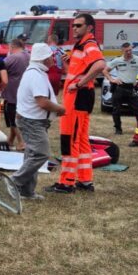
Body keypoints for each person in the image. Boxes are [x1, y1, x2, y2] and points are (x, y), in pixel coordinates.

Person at [45, 14, 107, 194]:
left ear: (89, 28)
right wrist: (68, 66)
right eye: (73, 26)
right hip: (79, 98)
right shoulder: (79, 46)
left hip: (78, 98)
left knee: (69, 138)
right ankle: (85, 180)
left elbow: (100, 64)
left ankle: (67, 182)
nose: (74, 29)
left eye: (78, 25)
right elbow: (79, 71)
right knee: (80, 140)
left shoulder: (89, 45)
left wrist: (79, 84)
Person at [10, 43, 66, 200]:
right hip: (32, 121)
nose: (53, 58)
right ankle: (14, 181)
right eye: (51, 56)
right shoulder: (36, 75)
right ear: (45, 58)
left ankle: (27, 192)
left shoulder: (36, 72)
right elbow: (42, 101)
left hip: (31, 120)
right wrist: (59, 109)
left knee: (32, 155)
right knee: (41, 154)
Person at [102, 42, 138, 134]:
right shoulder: (117, 60)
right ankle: (118, 129)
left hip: (131, 88)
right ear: (122, 51)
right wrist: (112, 79)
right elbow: (105, 71)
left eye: (130, 50)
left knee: (137, 109)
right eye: (126, 51)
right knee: (116, 110)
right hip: (120, 88)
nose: (129, 52)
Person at [2, 38, 30, 150]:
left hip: (12, 92)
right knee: (15, 116)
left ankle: (21, 142)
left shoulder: (12, 58)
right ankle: (10, 140)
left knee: (13, 118)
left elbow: (0, 69)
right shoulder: (29, 56)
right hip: (25, 92)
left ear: (12, 47)